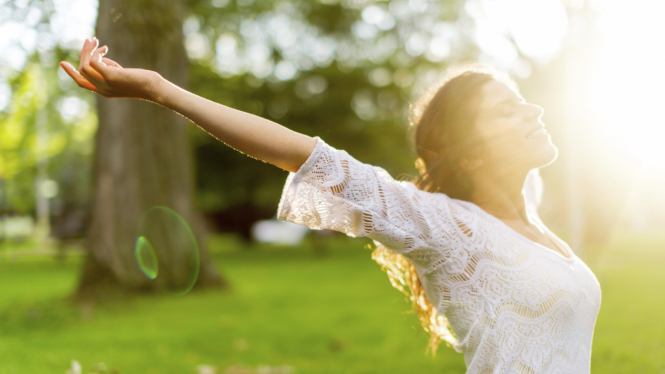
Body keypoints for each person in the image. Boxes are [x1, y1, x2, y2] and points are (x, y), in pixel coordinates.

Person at [61, 37, 602, 373]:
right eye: (507, 112)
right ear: (473, 157)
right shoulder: (448, 228)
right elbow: (305, 154)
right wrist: (159, 89)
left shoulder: (529, 211)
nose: (532, 110)